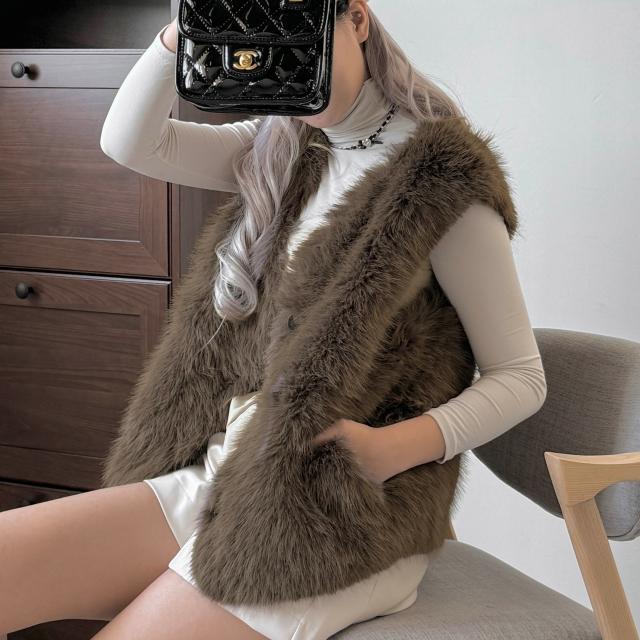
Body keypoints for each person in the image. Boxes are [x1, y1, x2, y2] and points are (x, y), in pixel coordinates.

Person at [0, 1, 547, 638]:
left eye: (294, 31)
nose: (275, 58)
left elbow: (521, 377)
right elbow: (129, 141)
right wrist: (189, 28)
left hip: (333, 512)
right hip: (226, 473)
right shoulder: (283, 148)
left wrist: (383, 451)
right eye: (257, 36)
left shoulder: (440, 180)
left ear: (356, 20)